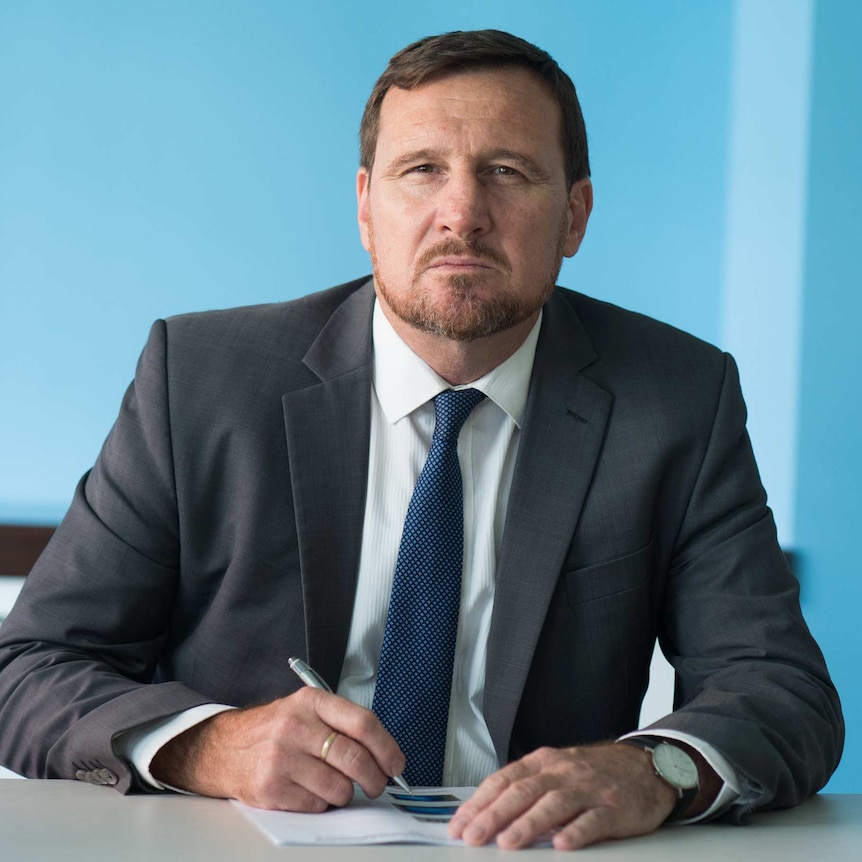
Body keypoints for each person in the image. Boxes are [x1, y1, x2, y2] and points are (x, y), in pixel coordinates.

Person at [0, 29, 842, 851]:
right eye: (422, 171)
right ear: (366, 208)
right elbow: (28, 667)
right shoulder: (200, 380)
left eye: (507, 173)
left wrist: (651, 769)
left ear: (575, 216)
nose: (462, 215)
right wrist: (209, 745)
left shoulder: (676, 401)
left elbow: (780, 691)